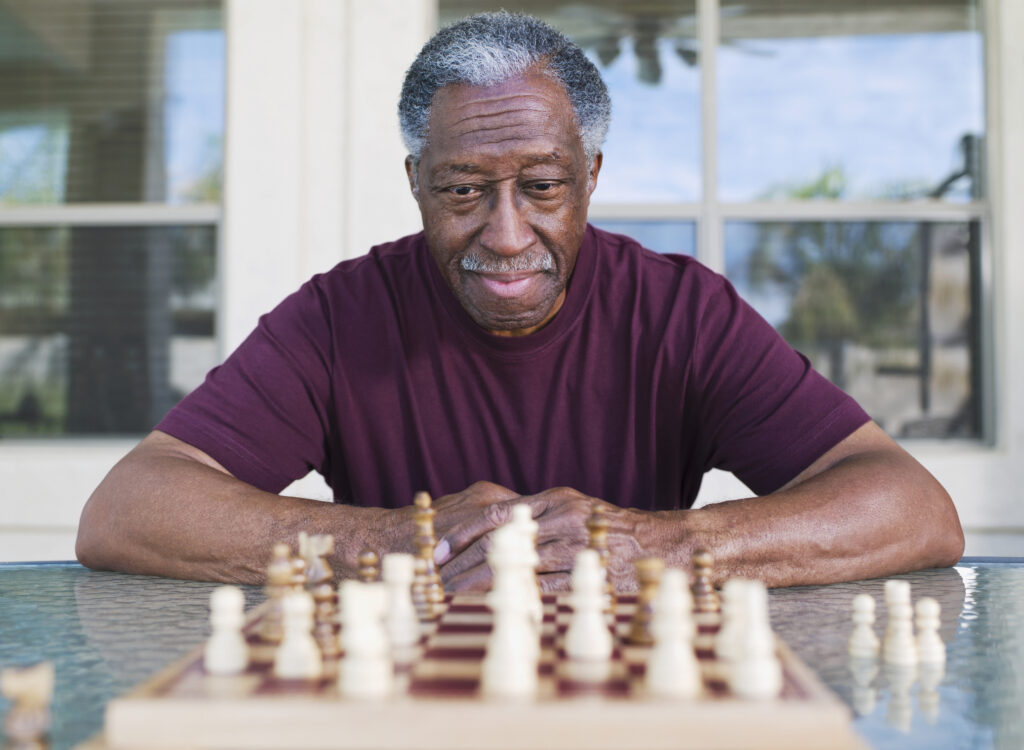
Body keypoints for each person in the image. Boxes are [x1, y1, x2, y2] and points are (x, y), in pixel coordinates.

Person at [76, 12, 963, 591]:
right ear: (417, 183)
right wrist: (393, 542)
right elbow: (129, 510)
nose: (506, 234)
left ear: (592, 180)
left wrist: (655, 548)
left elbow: (912, 506)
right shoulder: (340, 315)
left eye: (542, 187)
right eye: (464, 191)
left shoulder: (680, 312)